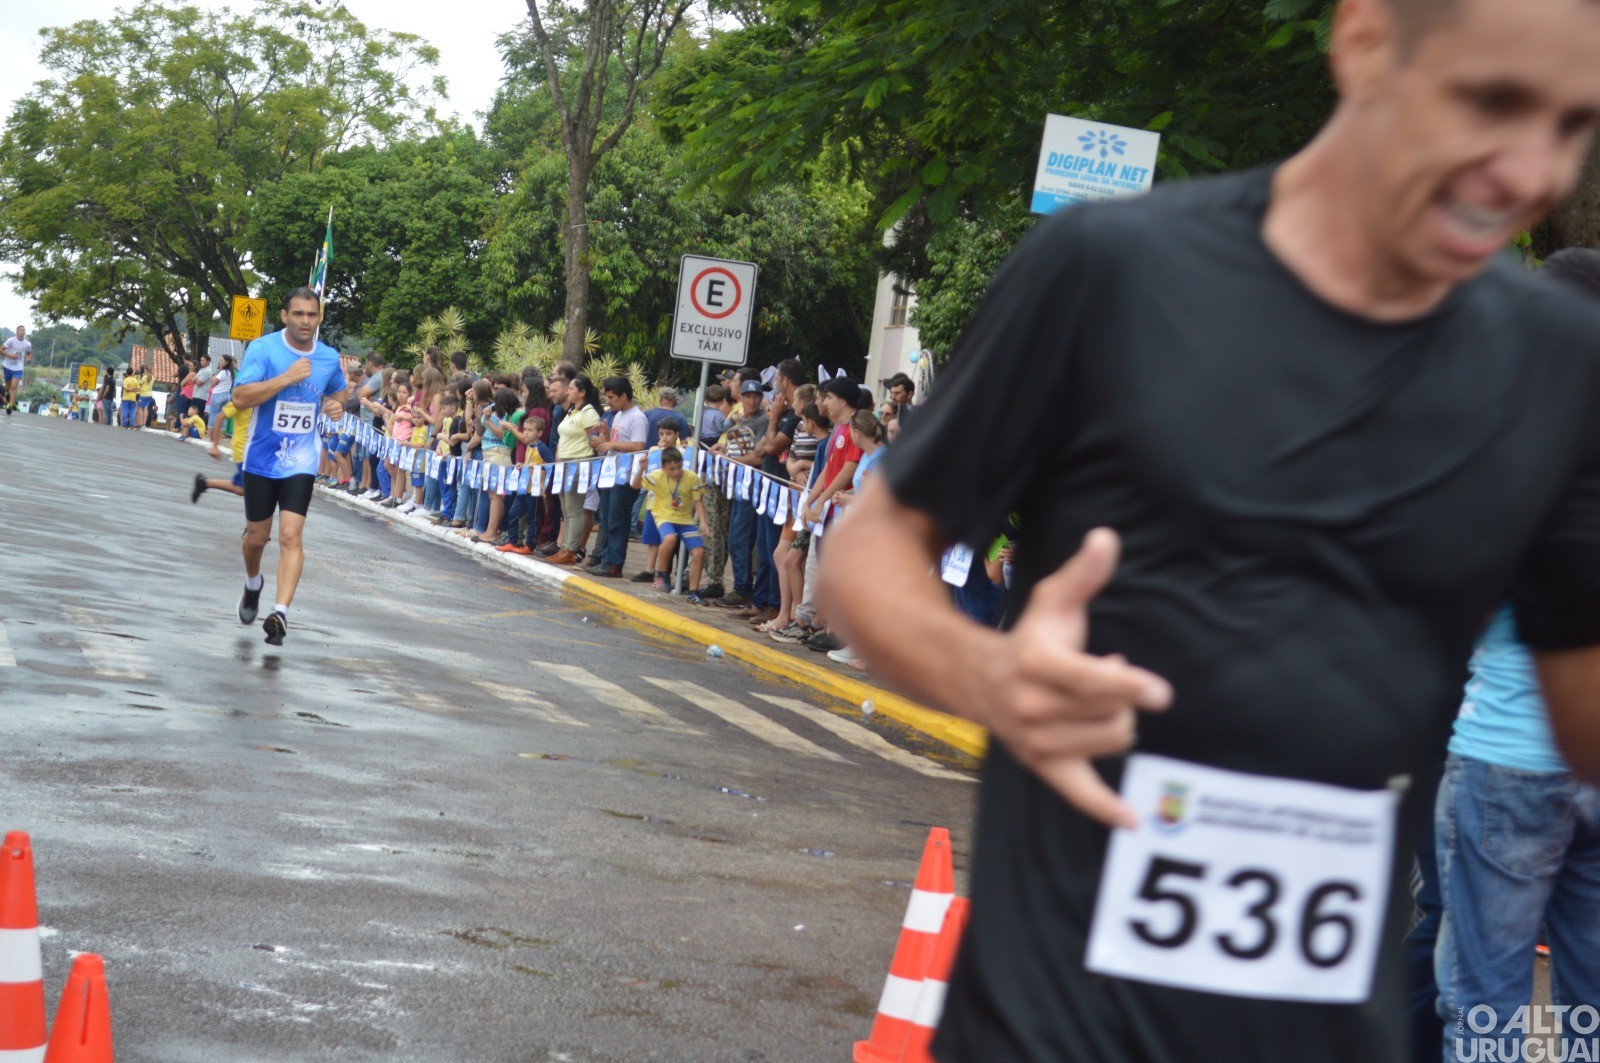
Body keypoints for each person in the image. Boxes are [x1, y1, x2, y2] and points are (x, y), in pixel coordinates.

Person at [818, 0, 1600, 1059]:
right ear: (1365, 40)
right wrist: (986, 671)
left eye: (1571, 124)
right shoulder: (1109, 271)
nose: (1531, 171)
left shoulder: (1553, 363)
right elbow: (867, 553)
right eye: (1491, 102)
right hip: (1048, 1027)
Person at [231, 286, 348, 646]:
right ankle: (253, 583)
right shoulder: (263, 349)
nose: (305, 321)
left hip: (302, 460)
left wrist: (336, 405)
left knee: (291, 535)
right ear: (284, 316)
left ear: (319, 317)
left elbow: (339, 390)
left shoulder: (328, 357)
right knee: (257, 539)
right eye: (298, 314)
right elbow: (240, 397)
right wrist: (286, 378)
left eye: (312, 315)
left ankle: (280, 613)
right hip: (261, 458)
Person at [589, 375, 648, 578]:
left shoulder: (637, 417)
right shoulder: (618, 415)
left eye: (611, 397)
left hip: (625, 476)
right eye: (606, 397)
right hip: (610, 472)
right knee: (606, 519)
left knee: (617, 520)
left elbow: (638, 445)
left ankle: (614, 563)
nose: (608, 401)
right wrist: (605, 435)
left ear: (624, 396)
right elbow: (614, 443)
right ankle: (605, 558)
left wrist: (611, 443)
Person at [632, 446, 709, 601]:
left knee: (699, 552)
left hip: (685, 519)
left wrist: (703, 522)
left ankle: (693, 592)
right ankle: (661, 574)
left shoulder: (691, 477)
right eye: (671, 469)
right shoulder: (657, 476)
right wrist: (641, 469)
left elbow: (697, 501)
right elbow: (635, 485)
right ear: (663, 468)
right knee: (669, 538)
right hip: (664, 516)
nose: (676, 472)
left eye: (679, 467)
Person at [548, 376, 602, 565]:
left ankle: (571, 549)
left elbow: (594, 440)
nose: (568, 391)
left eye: (571, 388)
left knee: (574, 508)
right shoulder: (571, 411)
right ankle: (565, 547)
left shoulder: (588, 413)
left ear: (582, 392)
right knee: (565, 508)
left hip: (578, 463)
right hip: (564, 464)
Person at [2, 325, 30, 414]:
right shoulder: (11, 340)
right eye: (20, 330)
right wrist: (11, 356)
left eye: (23, 330)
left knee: (14, 386)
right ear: (17, 332)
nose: (22, 331)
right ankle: (7, 393)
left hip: (18, 368)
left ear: (25, 332)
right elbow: (1, 350)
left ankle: (10, 405)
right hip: (8, 366)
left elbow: (29, 353)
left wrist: (28, 358)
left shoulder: (27, 344)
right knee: (7, 386)